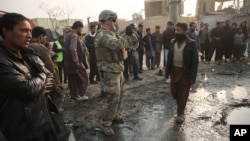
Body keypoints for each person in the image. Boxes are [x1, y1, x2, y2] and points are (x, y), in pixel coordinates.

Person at [0, 13, 59, 141]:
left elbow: (50, 75)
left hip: (44, 119)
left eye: (30, 31)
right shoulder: (2, 60)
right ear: (6, 31)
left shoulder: (28, 53)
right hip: (24, 130)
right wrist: (42, 76)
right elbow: (27, 89)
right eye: (24, 30)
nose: (29, 36)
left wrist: (37, 89)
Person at [94, 9, 131, 136]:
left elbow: (122, 46)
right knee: (113, 97)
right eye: (113, 19)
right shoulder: (102, 35)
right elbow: (116, 45)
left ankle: (113, 116)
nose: (114, 22)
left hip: (117, 68)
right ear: (106, 20)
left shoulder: (111, 33)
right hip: (109, 70)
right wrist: (128, 35)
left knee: (119, 96)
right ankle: (105, 123)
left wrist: (128, 36)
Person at [165, 22, 199, 124]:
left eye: (178, 30)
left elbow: (195, 61)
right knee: (174, 92)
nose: (176, 32)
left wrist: (193, 77)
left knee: (183, 94)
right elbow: (169, 58)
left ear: (184, 31)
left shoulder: (191, 43)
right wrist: (167, 72)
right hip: (174, 71)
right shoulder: (173, 42)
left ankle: (180, 114)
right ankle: (180, 105)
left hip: (185, 72)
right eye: (175, 30)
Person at [64, 21, 89, 103]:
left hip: (67, 61)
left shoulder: (68, 35)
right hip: (74, 62)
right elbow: (72, 49)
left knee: (72, 80)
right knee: (84, 77)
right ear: (78, 27)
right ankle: (81, 94)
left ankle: (73, 97)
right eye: (81, 28)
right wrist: (76, 61)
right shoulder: (74, 35)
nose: (81, 30)